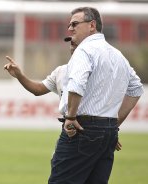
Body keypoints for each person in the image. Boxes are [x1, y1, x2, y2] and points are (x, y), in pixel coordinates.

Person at [50, 7, 143, 184]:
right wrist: (113, 125)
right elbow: (136, 89)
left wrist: (70, 116)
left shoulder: (84, 50)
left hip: (82, 128)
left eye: (75, 24)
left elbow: (77, 84)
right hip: (108, 132)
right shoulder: (117, 55)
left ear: (92, 25)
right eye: (70, 25)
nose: (70, 29)